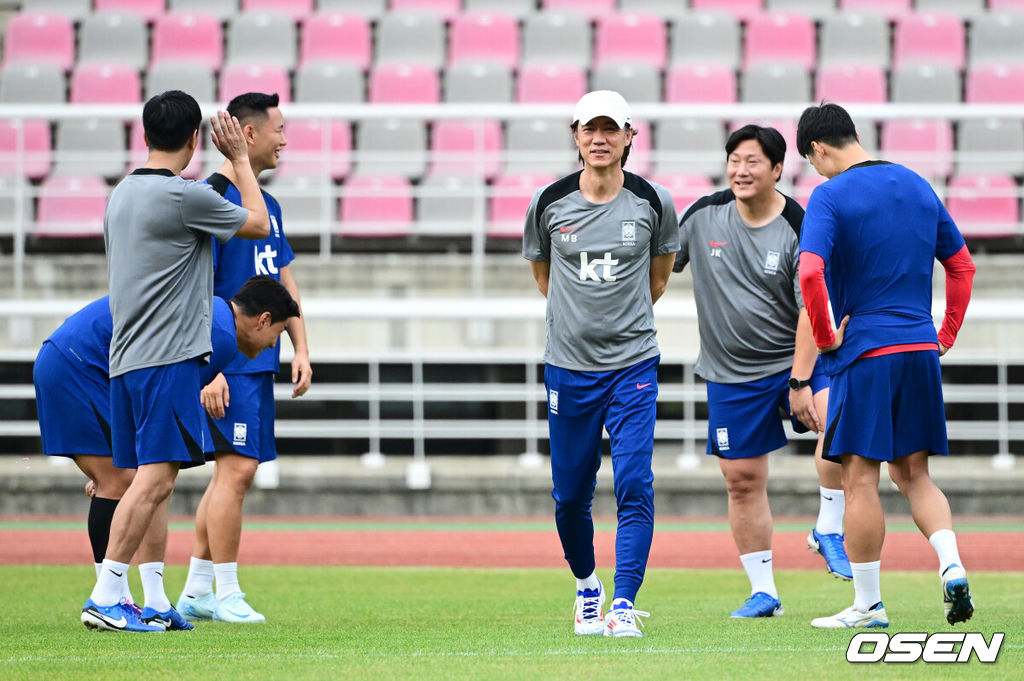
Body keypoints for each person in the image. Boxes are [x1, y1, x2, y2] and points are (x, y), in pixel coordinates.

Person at [81, 90, 271, 633]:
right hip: (166, 357)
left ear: (144, 135)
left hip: (127, 357)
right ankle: (107, 593)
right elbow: (258, 222)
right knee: (157, 480)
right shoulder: (183, 196)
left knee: (149, 479)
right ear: (195, 140)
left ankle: (152, 601)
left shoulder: (121, 195)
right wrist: (238, 159)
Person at [796, 102, 976, 629]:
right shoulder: (918, 184)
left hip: (867, 351)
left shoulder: (829, 194)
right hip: (919, 348)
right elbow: (961, 266)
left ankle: (868, 604)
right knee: (916, 474)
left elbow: (810, 273)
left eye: (813, 162)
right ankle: (952, 565)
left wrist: (827, 337)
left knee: (860, 480)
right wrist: (944, 334)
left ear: (818, 150)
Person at [36, 277, 300, 616]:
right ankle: (109, 599)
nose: (271, 347)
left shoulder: (215, 319)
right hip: (78, 365)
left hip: (79, 362)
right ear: (263, 319)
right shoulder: (219, 333)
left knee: (141, 478)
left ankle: (153, 600)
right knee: (129, 479)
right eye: (277, 336)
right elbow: (166, 401)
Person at [673, 125, 851, 619]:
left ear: (777, 169)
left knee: (837, 427)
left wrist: (797, 381)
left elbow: (810, 310)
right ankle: (764, 591)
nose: (740, 170)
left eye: (752, 161)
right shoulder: (703, 216)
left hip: (801, 360)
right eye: (734, 160)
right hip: (731, 373)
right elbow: (661, 268)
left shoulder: (800, 222)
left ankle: (828, 528)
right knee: (742, 481)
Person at [522, 90, 679, 638]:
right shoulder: (548, 202)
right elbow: (545, 279)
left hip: (634, 363)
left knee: (635, 482)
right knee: (570, 494)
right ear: (575, 135)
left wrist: (620, 321)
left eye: (611, 129)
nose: (600, 139)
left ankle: (623, 603)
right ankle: (588, 587)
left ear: (631, 136)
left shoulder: (653, 201)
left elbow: (658, 279)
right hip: (568, 368)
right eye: (591, 129)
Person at [176, 92, 311, 625]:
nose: (285, 139)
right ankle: (226, 592)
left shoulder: (267, 206)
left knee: (233, 475)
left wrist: (300, 345)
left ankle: (197, 590)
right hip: (229, 361)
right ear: (248, 134)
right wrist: (210, 368)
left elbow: (283, 279)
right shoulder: (211, 197)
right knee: (236, 472)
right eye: (278, 128)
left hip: (261, 359)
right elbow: (192, 289)